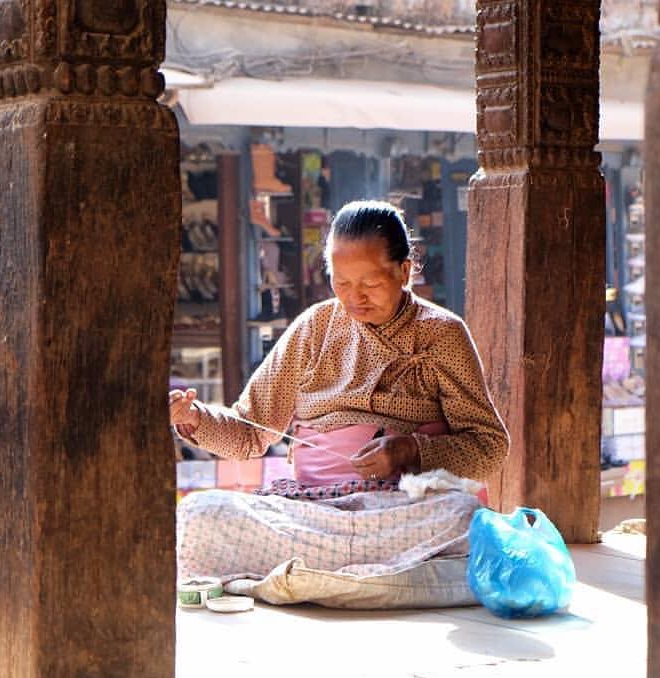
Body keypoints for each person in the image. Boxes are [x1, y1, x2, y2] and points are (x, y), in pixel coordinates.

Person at [170, 200, 509, 585]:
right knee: (200, 515)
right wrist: (195, 418)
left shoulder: (442, 334)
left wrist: (409, 451)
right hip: (313, 515)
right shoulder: (314, 328)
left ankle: (318, 572)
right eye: (342, 282)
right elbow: (250, 433)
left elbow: (489, 447)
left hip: (398, 513)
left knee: (462, 516)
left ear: (405, 271)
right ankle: (369, 573)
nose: (354, 298)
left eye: (370, 283)